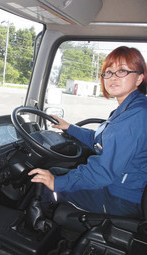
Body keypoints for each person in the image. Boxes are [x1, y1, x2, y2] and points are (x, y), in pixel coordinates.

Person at [28, 46, 147, 217]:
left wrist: (58, 183)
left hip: (120, 198)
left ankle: (38, 232)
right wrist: (70, 128)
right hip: (120, 187)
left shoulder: (135, 115)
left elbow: (103, 172)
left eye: (122, 71)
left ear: (139, 79)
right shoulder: (129, 108)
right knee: (54, 171)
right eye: (108, 72)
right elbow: (101, 141)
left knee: (47, 183)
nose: (112, 77)